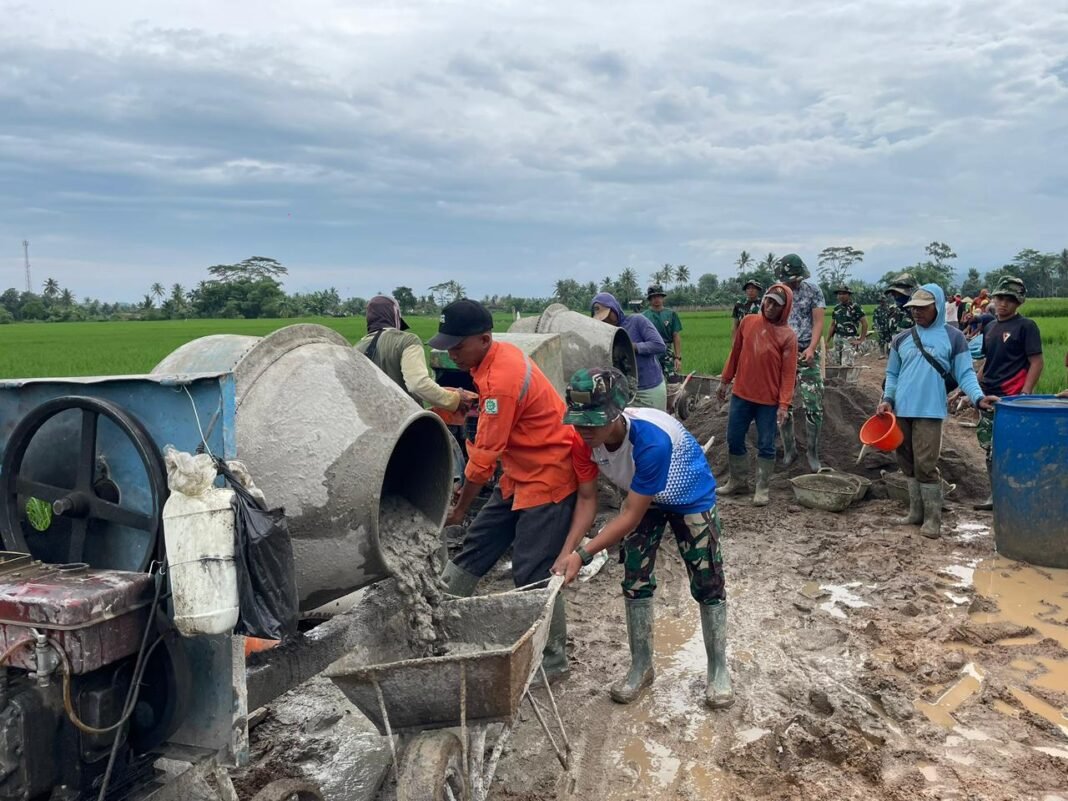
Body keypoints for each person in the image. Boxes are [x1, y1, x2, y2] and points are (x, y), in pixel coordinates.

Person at [557, 367, 733, 709]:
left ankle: (718, 668)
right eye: (579, 421)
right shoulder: (583, 442)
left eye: (594, 421)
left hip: (689, 497)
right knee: (634, 577)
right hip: (641, 499)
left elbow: (629, 515)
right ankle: (641, 666)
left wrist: (583, 554)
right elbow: (587, 499)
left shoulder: (650, 442)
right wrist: (567, 553)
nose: (585, 429)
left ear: (615, 414)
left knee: (708, 580)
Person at [434, 299, 578, 681]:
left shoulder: (501, 380)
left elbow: (483, 460)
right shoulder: (491, 361)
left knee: (533, 571)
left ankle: (552, 659)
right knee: (476, 547)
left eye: (457, 346)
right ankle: (435, 624)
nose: (451, 353)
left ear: (483, 339)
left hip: (548, 477)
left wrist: (460, 510)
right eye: (447, 346)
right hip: (517, 475)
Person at [877, 285, 998, 538]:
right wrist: (887, 398)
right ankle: (915, 512)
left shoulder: (954, 338)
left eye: (923, 308)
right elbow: (892, 374)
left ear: (939, 306)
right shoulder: (902, 339)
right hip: (901, 410)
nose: (917, 313)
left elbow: (965, 373)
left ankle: (933, 519)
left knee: (926, 464)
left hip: (930, 411)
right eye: (914, 309)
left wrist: (977, 398)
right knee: (906, 461)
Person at [716, 283, 798, 506]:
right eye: (768, 301)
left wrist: (784, 404)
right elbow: (735, 354)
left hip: (768, 402)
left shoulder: (788, 336)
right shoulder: (748, 322)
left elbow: (788, 374)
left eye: (776, 305)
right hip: (741, 394)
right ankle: (738, 481)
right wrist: (724, 381)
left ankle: (762, 488)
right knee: (734, 437)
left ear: (785, 308)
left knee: (766, 444)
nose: (770, 306)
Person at [973, 276, 1044, 511]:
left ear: (1019, 302)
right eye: (1000, 298)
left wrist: (1025, 393)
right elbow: (987, 361)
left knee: (1011, 447)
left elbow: (1036, 362)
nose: (1003, 303)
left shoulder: (1026, 327)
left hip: (1011, 397)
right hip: (988, 396)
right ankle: (996, 494)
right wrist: (972, 387)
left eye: (1009, 299)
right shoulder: (991, 327)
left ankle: (1015, 495)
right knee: (989, 448)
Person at [356, 295, 477, 413]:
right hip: (405, 424)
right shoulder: (407, 340)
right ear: (395, 316)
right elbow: (418, 384)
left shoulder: (355, 348)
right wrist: (454, 400)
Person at [775, 254, 825, 471]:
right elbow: (769, 323)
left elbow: (818, 321)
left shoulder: (813, 291)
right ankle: (789, 450)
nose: (791, 282)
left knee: (813, 404)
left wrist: (812, 348)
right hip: (782, 354)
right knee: (783, 404)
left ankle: (812, 453)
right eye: (788, 279)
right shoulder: (776, 293)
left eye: (795, 278)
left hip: (806, 352)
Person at [591, 291, 667, 410]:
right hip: (624, 392)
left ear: (615, 309)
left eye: (608, 314)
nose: (607, 320)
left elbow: (659, 345)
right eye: (602, 319)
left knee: (652, 425)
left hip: (649, 389)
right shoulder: (604, 333)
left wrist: (634, 347)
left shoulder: (636, 321)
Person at [643, 285, 683, 378]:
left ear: (662, 298)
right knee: (652, 380)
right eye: (654, 297)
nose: (656, 299)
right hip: (651, 352)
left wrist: (677, 358)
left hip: (666, 351)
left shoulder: (671, 314)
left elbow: (676, 335)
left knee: (672, 379)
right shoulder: (644, 316)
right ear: (650, 299)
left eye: (659, 296)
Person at [828, 285, 868, 367]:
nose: (841, 296)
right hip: (837, 338)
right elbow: (832, 324)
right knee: (836, 364)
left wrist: (861, 339)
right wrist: (827, 341)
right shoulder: (836, 308)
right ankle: (838, 380)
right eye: (839, 294)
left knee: (847, 365)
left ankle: (847, 380)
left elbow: (865, 323)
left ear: (849, 295)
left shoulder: (855, 307)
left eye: (843, 294)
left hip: (849, 338)